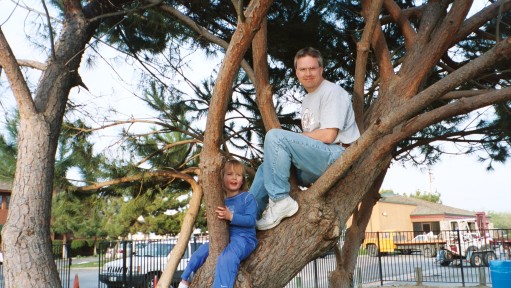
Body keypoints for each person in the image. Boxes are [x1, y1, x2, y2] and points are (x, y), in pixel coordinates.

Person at [250, 47, 360, 230]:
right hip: (317, 161)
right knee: (267, 167)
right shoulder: (308, 99)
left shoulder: (332, 92)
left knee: (275, 137)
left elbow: (328, 135)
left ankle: (279, 201)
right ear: (297, 72)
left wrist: (292, 139)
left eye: (312, 68)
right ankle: (247, 217)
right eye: (303, 69)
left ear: (321, 69)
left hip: (337, 156)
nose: (307, 73)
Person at [178, 159, 258, 288]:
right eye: (230, 174)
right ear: (222, 177)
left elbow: (251, 220)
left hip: (244, 238)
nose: (234, 178)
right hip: (225, 238)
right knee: (201, 251)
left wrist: (230, 216)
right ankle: (185, 279)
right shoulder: (222, 200)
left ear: (242, 180)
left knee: (227, 258)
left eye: (238, 175)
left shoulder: (247, 198)